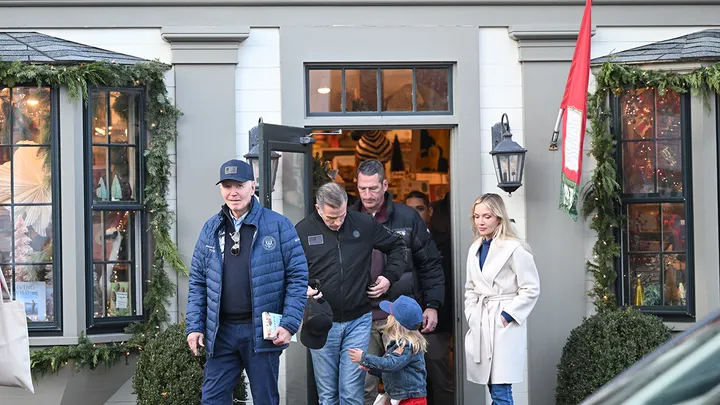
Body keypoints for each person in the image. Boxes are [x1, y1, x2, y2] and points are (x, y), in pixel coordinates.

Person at [186, 159, 309, 405]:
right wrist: (195, 326)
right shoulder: (211, 228)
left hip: (262, 332)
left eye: (239, 185)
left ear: (252, 187)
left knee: (265, 399)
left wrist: (289, 323)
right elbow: (198, 281)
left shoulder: (278, 226)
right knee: (211, 399)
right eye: (227, 186)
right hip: (222, 332)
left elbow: (298, 277)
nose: (233, 192)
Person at [295, 182, 407, 405]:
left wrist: (388, 277)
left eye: (341, 216)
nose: (337, 222)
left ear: (347, 206)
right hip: (321, 321)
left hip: (358, 319)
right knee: (327, 395)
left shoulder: (364, 223)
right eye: (331, 218)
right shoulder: (302, 230)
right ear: (318, 209)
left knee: (351, 392)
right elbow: (287, 269)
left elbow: (398, 245)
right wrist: (301, 287)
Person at [349, 161, 445, 405]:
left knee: (405, 382)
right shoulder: (348, 218)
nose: (368, 195)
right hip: (362, 316)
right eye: (363, 189)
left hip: (400, 317)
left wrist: (432, 304)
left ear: (385, 185)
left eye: (373, 188)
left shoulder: (407, 217)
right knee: (366, 384)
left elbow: (430, 263)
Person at [464, 193, 540, 405]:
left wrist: (507, 315)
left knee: (501, 389)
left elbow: (531, 287)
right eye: (477, 216)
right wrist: (471, 314)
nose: (481, 221)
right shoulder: (475, 249)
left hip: (502, 322)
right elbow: (470, 287)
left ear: (499, 217)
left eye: (487, 216)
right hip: (481, 320)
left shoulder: (514, 248)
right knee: (491, 385)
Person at [405, 190, 455, 405]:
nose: (415, 213)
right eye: (410, 209)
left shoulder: (445, 239)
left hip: (438, 322)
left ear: (430, 210)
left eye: (420, 208)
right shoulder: (398, 239)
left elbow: (448, 281)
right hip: (406, 324)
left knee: (440, 378)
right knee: (411, 383)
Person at [349, 295, 428, 405]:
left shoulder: (406, 346)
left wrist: (364, 357)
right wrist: (371, 368)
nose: (387, 317)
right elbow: (393, 371)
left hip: (410, 400)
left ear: (396, 323)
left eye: (390, 315)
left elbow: (391, 364)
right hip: (400, 397)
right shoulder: (399, 344)